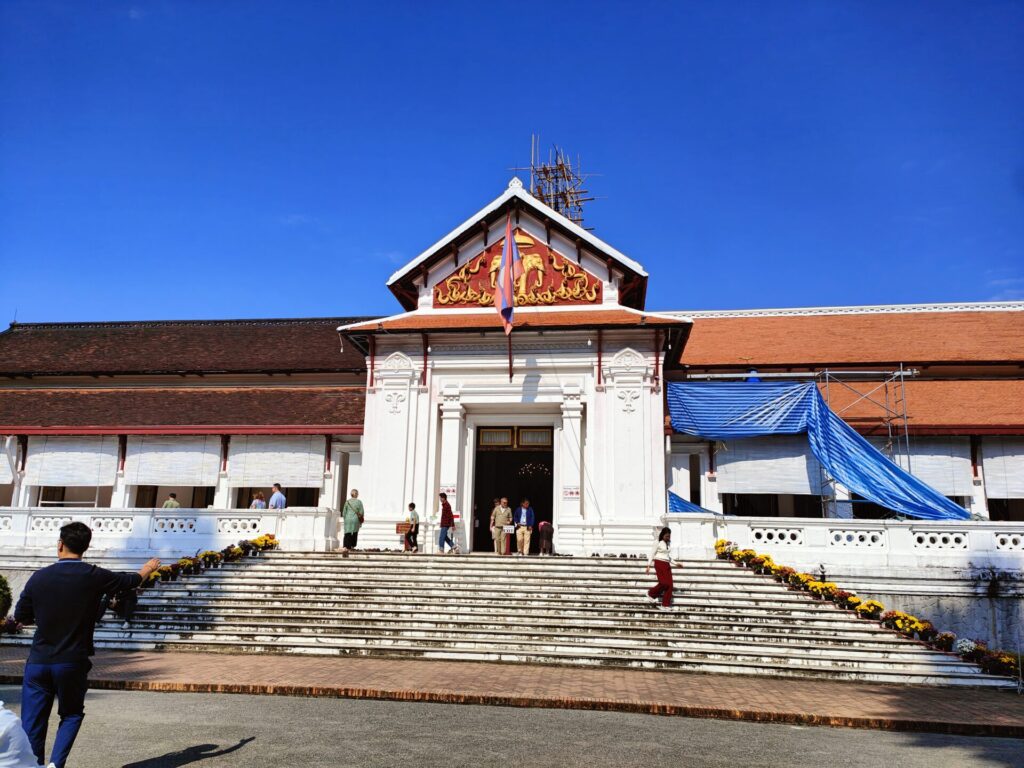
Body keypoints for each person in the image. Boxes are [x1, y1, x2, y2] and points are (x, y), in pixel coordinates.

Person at [14, 522, 161, 768]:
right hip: (72, 660)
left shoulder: (39, 577)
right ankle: (55, 765)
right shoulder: (94, 575)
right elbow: (130, 581)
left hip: (39, 660)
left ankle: (33, 765)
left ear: (60, 544)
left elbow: (22, 616)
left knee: (32, 722)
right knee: (71, 714)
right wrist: (148, 568)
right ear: (86, 547)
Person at [645, 526, 683, 609]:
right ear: (662, 535)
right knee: (663, 583)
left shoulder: (668, 543)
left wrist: (676, 564)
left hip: (666, 564)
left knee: (670, 585)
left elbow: (667, 556)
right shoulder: (657, 542)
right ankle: (650, 593)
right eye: (666, 536)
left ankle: (665, 605)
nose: (668, 538)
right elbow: (652, 554)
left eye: (669, 536)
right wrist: (648, 565)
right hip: (659, 563)